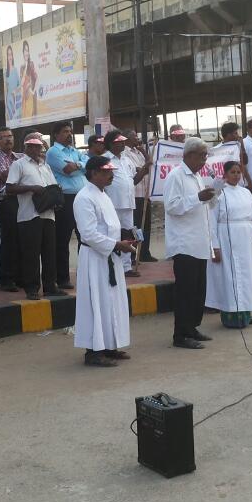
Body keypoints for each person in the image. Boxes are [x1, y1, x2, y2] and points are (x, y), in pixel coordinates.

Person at [73, 156, 137, 367]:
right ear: (93, 173)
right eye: (106, 172)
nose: (111, 175)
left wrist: (122, 241)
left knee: (112, 301)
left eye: (111, 171)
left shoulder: (104, 195)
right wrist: (116, 244)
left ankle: (110, 345)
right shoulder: (84, 198)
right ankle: (93, 352)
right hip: (95, 258)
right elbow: (89, 234)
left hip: (110, 255)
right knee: (96, 302)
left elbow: (110, 227)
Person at [163, 137, 217, 348]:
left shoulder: (197, 177)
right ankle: (181, 335)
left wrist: (211, 197)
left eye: (206, 156)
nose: (204, 160)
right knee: (185, 292)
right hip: (184, 244)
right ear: (189, 155)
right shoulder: (176, 176)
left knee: (198, 291)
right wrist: (198, 198)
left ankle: (192, 327)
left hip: (199, 242)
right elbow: (172, 207)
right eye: (202, 156)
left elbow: (201, 206)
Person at [206, 161, 252, 329]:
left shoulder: (246, 193)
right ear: (225, 174)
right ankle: (231, 315)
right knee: (230, 276)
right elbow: (211, 221)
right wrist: (214, 246)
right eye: (232, 172)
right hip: (226, 238)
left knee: (247, 276)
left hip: (245, 239)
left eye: (239, 172)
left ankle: (246, 312)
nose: (236, 175)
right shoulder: (218, 193)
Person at [6, 136, 65, 300]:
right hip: (29, 215)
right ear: (25, 147)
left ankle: (50, 286)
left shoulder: (45, 166)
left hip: (48, 213)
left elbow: (52, 186)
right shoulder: (18, 164)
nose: (34, 149)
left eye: (37, 147)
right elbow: (9, 188)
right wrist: (31, 188)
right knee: (31, 254)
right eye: (31, 146)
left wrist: (55, 199)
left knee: (49, 252)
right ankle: (31, 288)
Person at [46, 121, 86, 290]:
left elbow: (89, 165)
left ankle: (85, 273)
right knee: (62, 239)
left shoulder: (74, 151)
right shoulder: (53, 152)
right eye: (65, 131)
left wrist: (79, 165)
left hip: (81, 198)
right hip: (65, 199)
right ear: (56, 135)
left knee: (85, 237)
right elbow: (67, 170)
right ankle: (62, 278)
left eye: (70, 131)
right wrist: (80, 166)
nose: (69, 134)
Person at [103, 130, 142, 277]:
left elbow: (133, 180)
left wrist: (144, 171)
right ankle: (112, 264)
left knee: (128, 234)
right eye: (118, 142)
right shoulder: (105, 159)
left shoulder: (127, 160)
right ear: (111, 144)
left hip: (128, 202)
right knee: (113, 234)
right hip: (112, 202)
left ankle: (126, 267)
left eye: (123, 141)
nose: (122, 144)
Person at [0, 128, 23, 291]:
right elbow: (7, 178)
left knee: (21, 240)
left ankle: (20, 277)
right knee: (9, 241)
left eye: (10, 136)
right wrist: (22, 169)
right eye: (4, 137)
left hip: (22, 201)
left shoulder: (20, 156)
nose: (8, 139)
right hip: (6, 202)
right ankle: (7, 279)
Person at [123, 130, 155, 262]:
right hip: (135, 194)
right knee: (136, 226)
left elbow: (150, 164)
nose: (137, 138)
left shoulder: (138, 152)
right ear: (127, 139)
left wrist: (144, 151)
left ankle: (145, 252)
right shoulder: (125, 153)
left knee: (146, 225)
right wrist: (144, 168)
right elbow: (138, 170)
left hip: (145, 193)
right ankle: (134, 253)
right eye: (134, 136)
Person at [216, 122, 252, 188]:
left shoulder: (237, 147)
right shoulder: (217, 150)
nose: (238, 136)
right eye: (236, 133)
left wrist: (249, 182)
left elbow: (244, 162)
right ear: (229, 135)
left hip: (239, 185)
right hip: (224, 186)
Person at [19, 40, 38, 119]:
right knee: (26, 117)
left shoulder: (31, 64)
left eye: (27, 50)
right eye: (25, 50)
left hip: (32, 94)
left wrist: (33, 91)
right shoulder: (22, 67)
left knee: (34, 116)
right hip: (26, 95)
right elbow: (22, 83)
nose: (26, 52)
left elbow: (36, 78)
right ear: (23, 52)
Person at [5, 46, 21, 122]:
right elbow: (6, 89)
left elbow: (20, 85)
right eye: (8, 55)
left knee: (17, 120)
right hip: (9, 100)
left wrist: (15, 91)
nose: (10, 57)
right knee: (11, 121)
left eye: (11, 54)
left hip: (16, 99)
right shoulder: (5, 72)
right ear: (7, 57)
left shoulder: (15, 70)